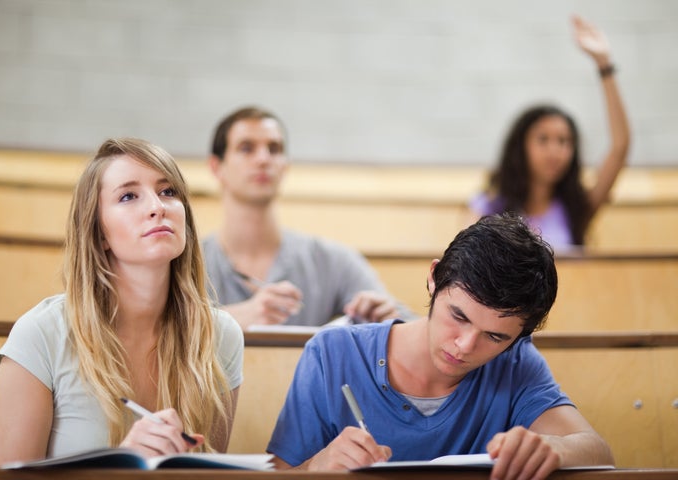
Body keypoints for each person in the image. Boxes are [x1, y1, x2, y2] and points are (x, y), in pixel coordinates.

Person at [267, 213, 614, 479]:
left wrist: (553, 448)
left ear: (519, 337)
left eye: (495, 337)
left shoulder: (516, 363)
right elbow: (281, 473)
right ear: (434, 278)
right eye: (458, 316)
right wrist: (315, 466)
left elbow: (598, 450)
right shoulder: (333, 353)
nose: (464, 346)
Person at [0, 138, 244, 466]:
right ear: (100, 234)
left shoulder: (221, 336)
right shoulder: (40, 335)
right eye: (128, 196)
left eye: (168, 191)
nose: (157, 207)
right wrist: (121, 464)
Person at [202, 106, 414, 330]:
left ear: (285, 166)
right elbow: (161, 330)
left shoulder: (331, 261)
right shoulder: (185, 264)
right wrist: (230, 319)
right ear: (216, 167)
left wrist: (390, 322)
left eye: (274, 149)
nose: (263, 159)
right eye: (246, 148)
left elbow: (416, 328)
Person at [469, 15, 630, 250]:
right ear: (520, 146)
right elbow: (466, 266)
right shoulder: (488, 207)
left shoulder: (575, 209)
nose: (555, 150)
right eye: (543, 139)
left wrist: (604, 64)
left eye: (565, 141)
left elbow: (620, 147)